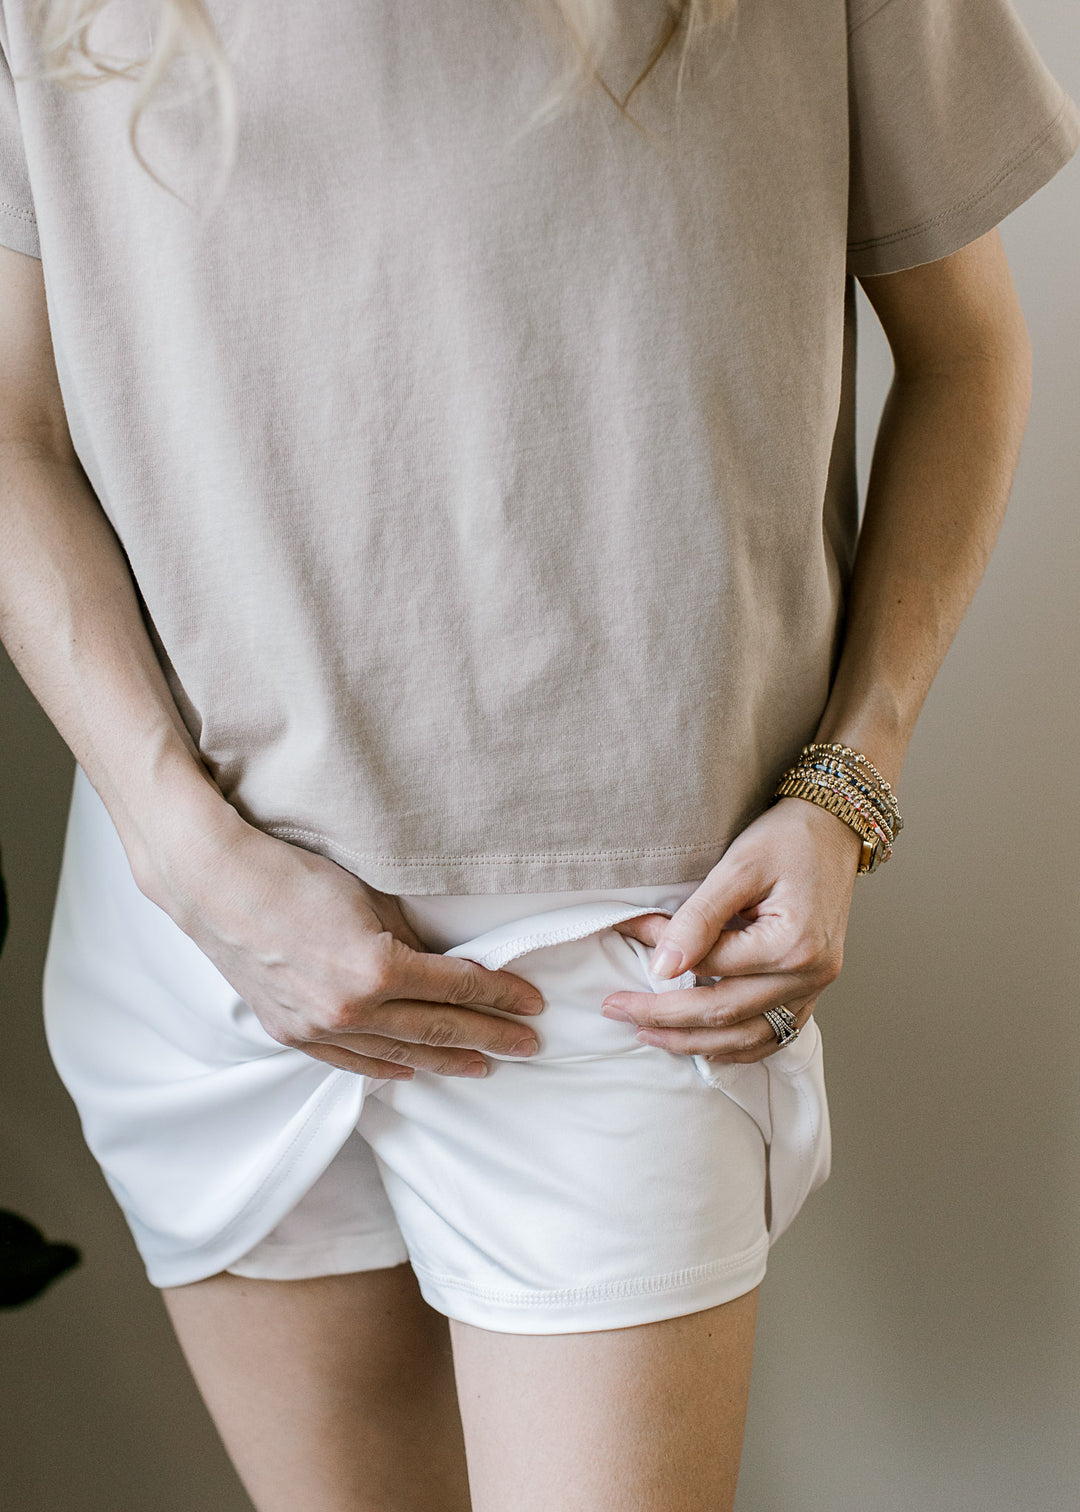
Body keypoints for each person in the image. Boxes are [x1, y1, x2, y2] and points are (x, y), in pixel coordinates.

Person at [0, 0, 1076, 1506]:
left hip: (628, 956)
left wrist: (850, 782)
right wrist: (193, 861)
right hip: (212, 939)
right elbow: (11, 429)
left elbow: (967, 356)